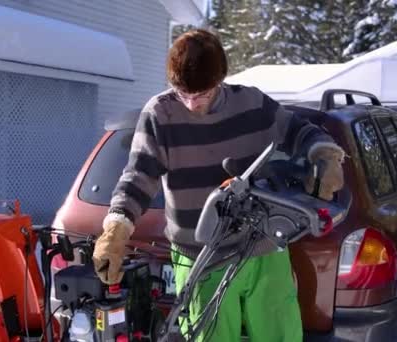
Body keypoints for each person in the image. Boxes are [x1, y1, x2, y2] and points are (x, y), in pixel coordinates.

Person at [92, 29, 345, 341]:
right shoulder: (160, 114)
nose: (192, 103)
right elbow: (138, 177)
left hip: (262, 249)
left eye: (202, 94)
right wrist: (117, 226)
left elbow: (300, 131)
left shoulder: (251, 104)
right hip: (199, 256)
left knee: (281, 334)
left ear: (220, 80)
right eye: (183, 93)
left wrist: (325, 154)